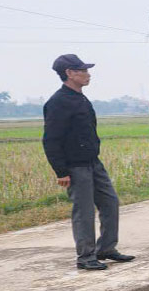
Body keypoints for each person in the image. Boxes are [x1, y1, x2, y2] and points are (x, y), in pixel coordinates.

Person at [42, 54, 134, 270]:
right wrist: (61, 171)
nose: (88, 74)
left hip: (93, 162)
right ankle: (85, 257)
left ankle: (106, 248)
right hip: (75, 167)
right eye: (82, 70)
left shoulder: (81, 97)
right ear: (70, 73)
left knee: (110, 203)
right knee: (84, 212)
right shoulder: (58, 102)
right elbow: (51, 140)